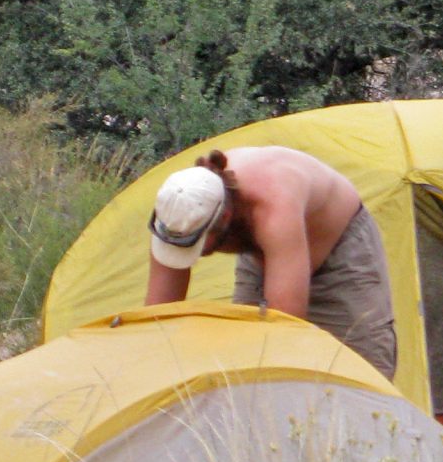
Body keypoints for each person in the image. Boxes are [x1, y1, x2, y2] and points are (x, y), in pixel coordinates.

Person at [145, 146, 401, 379]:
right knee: (246, 366)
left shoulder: (273, 207)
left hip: (341, 252)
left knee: (361, 372)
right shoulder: (178, 209)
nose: (197, 255)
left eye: (199, 246)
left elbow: (285, 331)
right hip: (264, 254)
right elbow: (157, 322)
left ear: (225, 216)